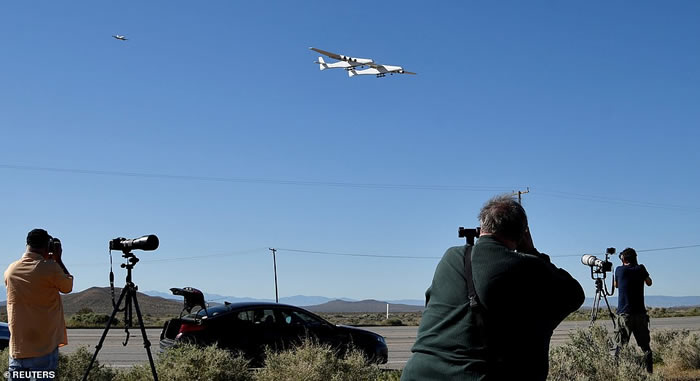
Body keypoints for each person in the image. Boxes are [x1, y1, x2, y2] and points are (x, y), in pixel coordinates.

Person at [401, 195, 585, 381]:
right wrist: (531, 252)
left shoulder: (451, 257)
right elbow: (574, 294)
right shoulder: (525, 266)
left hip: (418, 373)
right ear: (522, 234)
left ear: (482, 226)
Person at [4, 229, 73, 380]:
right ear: (47, 245)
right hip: (44, 346)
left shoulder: (10, 270)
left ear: (27, 244)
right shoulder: (50, 268)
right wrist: (58, 260)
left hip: (18, 348)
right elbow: (67, 287)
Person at [614, 247, 653, 373]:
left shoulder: (619, 270)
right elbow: (649, 282)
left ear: (623, 259)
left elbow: (616, 285)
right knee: (645, 346)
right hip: (640, 313)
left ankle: (618, 371)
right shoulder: (641, 269)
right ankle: (649, 372)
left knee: (620, 345)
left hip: (625, 313)